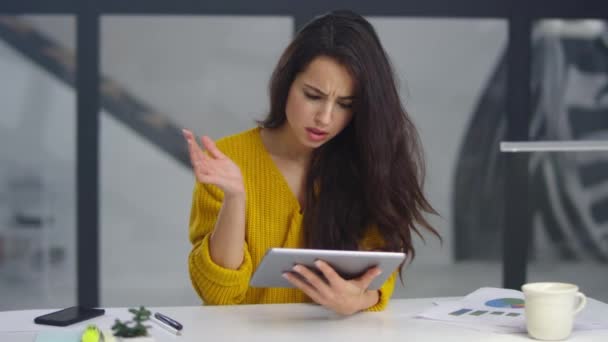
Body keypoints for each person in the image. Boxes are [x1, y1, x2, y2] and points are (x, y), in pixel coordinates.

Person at [183, 10, 440, 315]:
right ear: (286, 83)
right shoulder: (229, 160)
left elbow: (376, 271)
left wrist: (360, 300)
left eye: (345, 104)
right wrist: (235, 198)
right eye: (313, 95)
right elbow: (220, 295)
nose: (325, 118)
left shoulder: (364, 161)